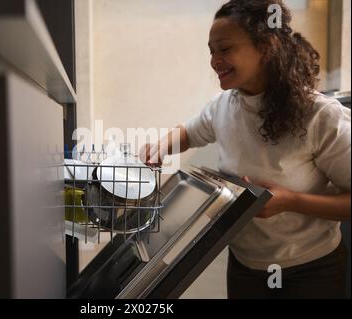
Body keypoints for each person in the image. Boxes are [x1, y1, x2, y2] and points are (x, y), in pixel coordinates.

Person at [140, 0, 351, 299]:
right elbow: (188, 132)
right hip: (246, 267)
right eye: (211, 51)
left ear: (265, 47)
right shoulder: (224, 106)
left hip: (311, 271)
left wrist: (290, 201)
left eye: (225, 49)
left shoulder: (320, 115)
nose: (215, 60)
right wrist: (160, 147)